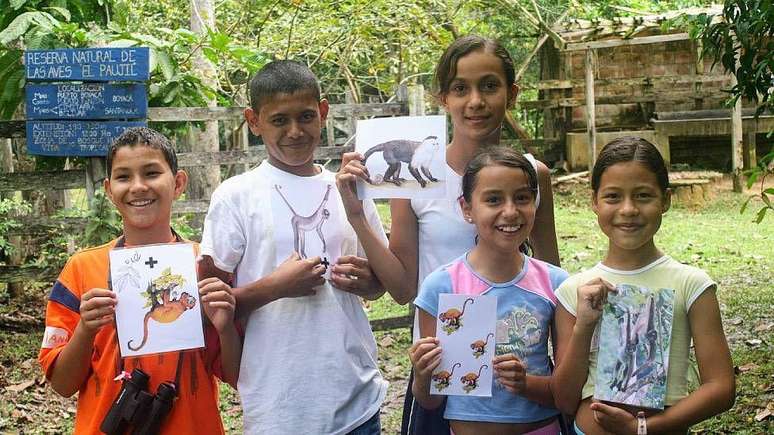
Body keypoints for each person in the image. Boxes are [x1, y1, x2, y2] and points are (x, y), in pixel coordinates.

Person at [336, 35, 561, 434]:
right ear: (443, 98)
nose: (475, 101)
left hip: (518, 374)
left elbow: (554, 287)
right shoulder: (415, 179)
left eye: (489, 86)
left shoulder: (533, 177)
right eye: (461, 89)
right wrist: (358, 218)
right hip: (444, 368)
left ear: (512, 93)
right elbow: (405, 288)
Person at [197, 60, 389, 435]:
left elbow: (381, 284)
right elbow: (205, 309)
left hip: (356, 398)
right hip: (277, 407)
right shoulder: (236, 196)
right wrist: (275, 287)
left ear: (323, 112)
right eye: (279, 120)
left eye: (305, 117)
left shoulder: (350, 188)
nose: (295, 131)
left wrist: (367, 282)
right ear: (254, 121)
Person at [38, 127, 241, 434]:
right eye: (123, 177)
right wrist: (85, 328)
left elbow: (235, 375)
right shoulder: (80, 270)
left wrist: (225, 327)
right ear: (108, 190)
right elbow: (62, 385)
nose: (138, 187)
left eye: (151, 173)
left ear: (179, 183)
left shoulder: (207, 266)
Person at [551, 137, 735, 434]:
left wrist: (645, 427)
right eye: (613, 197)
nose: (628, 209)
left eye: (643, 196)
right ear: (593, 202)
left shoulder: (691, 285)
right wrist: (584, 327)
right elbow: (563, 398)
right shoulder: (575, 291)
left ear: (666, 200)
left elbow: (721, 386)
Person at [409, 147, 567, 435]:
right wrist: (423, 374)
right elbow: (430, 399)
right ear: (467, 209)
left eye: (522, 198)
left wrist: (526, 384)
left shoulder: (556, 284)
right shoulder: (441, 287)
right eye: (493, 199)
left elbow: (568, 392)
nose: (510, 211)